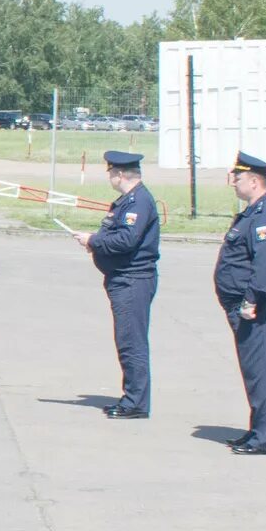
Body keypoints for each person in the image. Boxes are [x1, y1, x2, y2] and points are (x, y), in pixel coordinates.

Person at [213, 152, 266, 455]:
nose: (234, 182)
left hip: (260, 306)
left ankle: (264, 438)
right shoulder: (253, 212)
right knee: (254, 371)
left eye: (239, 177)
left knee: (263, 371)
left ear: (255, 181)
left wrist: (250, 298)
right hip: (246, 306)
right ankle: (257, 430)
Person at [84, 150, 159, 419]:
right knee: (126, 340)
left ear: (118, 174)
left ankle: (135, 402)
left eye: (110, 173)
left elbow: (127, 240)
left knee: (132, 342)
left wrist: (94, 241)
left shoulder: (138, 202)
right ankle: (132, 397)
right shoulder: (128, 201)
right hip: (123, 278)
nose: (110, 178)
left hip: (133, 280)